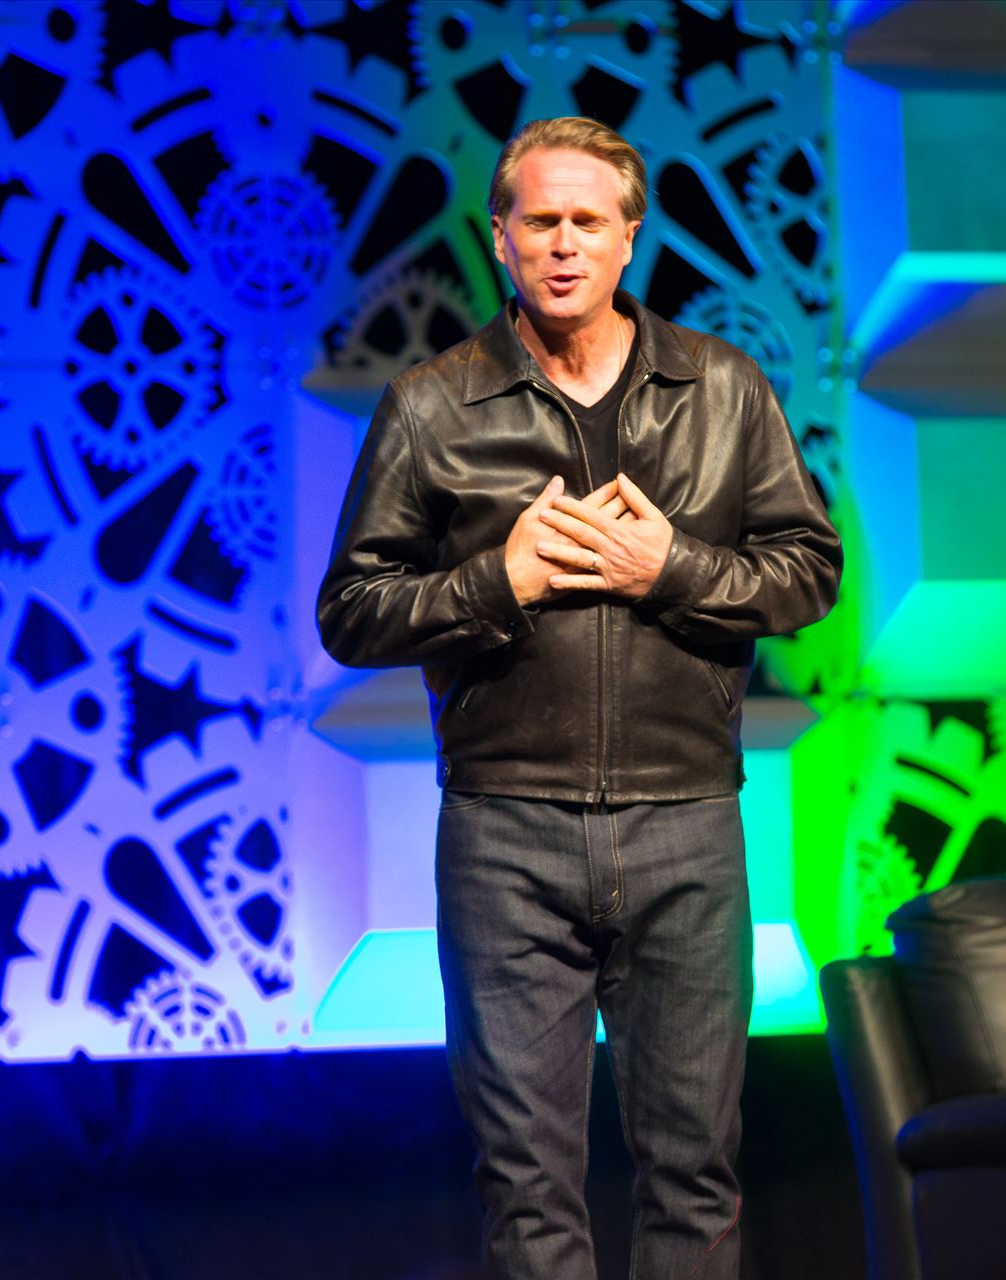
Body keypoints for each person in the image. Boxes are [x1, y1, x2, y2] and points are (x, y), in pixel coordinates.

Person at [316, 115, 842, 1280]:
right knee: (527, 1185)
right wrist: (495, 580)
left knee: (696, 1170)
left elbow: (810, 572)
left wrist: (676, 570)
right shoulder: (434, 406)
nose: (564, 245)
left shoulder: (722, 390)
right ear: (499, 238)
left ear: (628, 237)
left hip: (686, 821)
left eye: (588, 222)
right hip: (507, 831)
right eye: (539, 221)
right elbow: (351, 610)